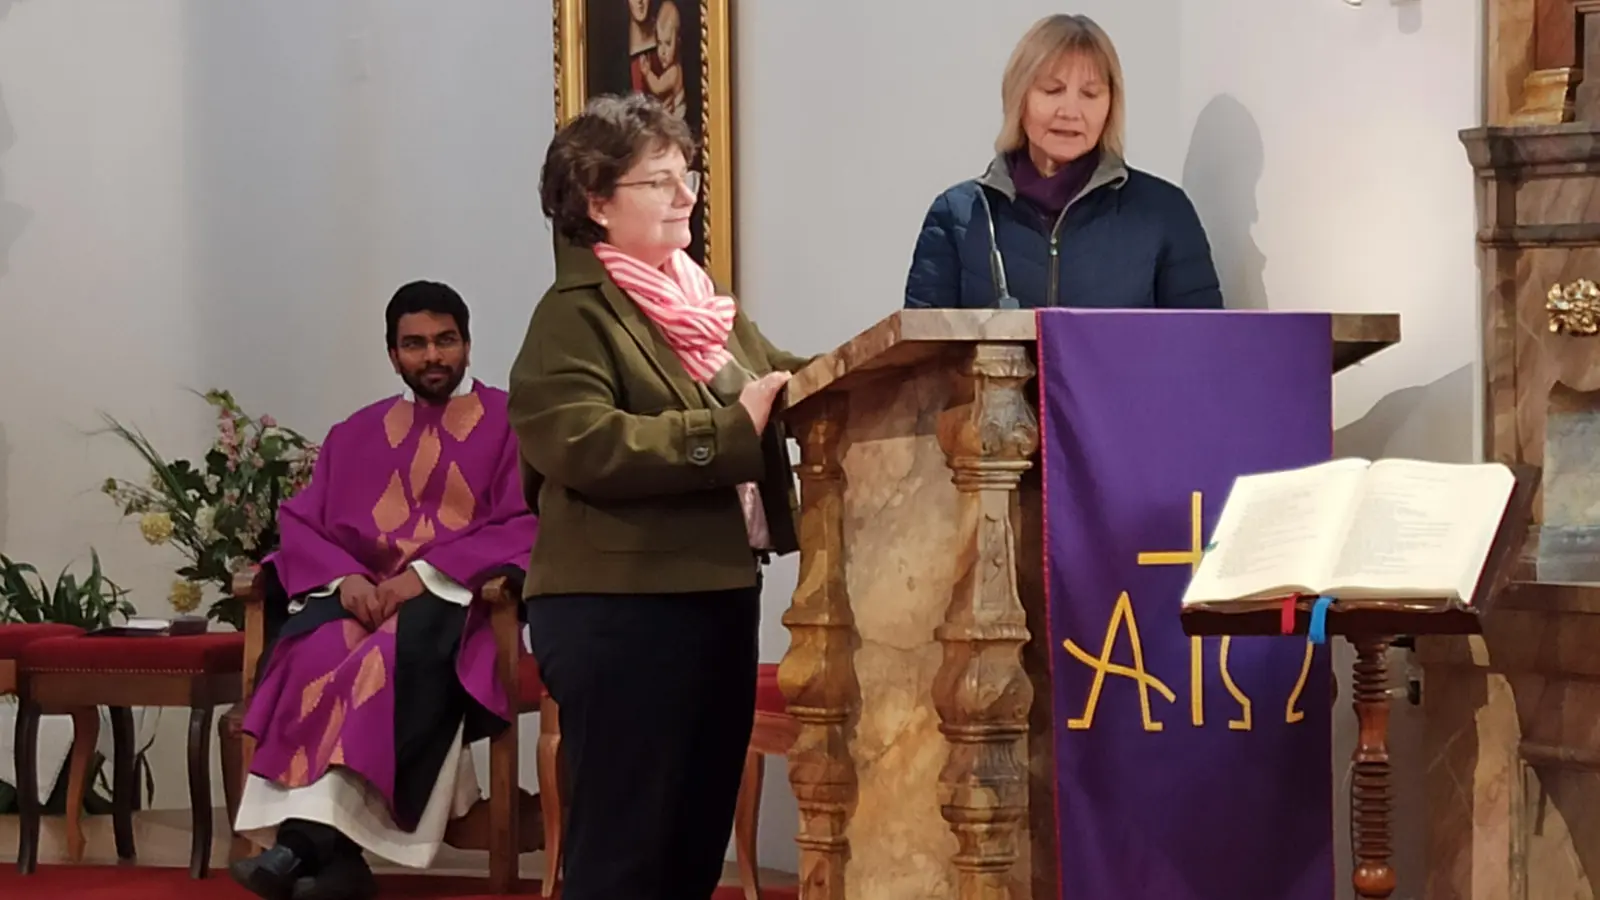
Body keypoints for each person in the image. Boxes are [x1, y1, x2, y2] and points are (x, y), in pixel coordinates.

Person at [509, 93, 808, 900]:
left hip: (714, 594)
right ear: (597, 203)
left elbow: (791, 380)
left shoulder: (700, 306)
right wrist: (727, 432)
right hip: (619, 606)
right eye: (661, 180)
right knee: (626, 852)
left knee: (689, 846)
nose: (686, 195)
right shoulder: (570, 318)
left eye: (689, 177)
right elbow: (583, 443)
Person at [229, 281, 540, 900]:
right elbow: (302, 520)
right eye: (415, 344)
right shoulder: (356, 432)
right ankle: (335, 863)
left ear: (469, 345)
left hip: (455, 600)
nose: (433, 357)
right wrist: (345, 582)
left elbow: (526, 521)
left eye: (445, 340)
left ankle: (304, 847)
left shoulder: (511, 424)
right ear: (393, 353)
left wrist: (420, 579)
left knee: (383, 660)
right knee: (317, 652)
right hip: (357, 595)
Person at [905, 13, 1224, 310]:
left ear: (1111, 105)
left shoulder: (1164, 213)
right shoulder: (956, 217)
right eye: (1052, 90)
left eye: (1090, 94)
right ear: (1020, 98)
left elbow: (1203, 351)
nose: (1070, 111)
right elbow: (921, 362)